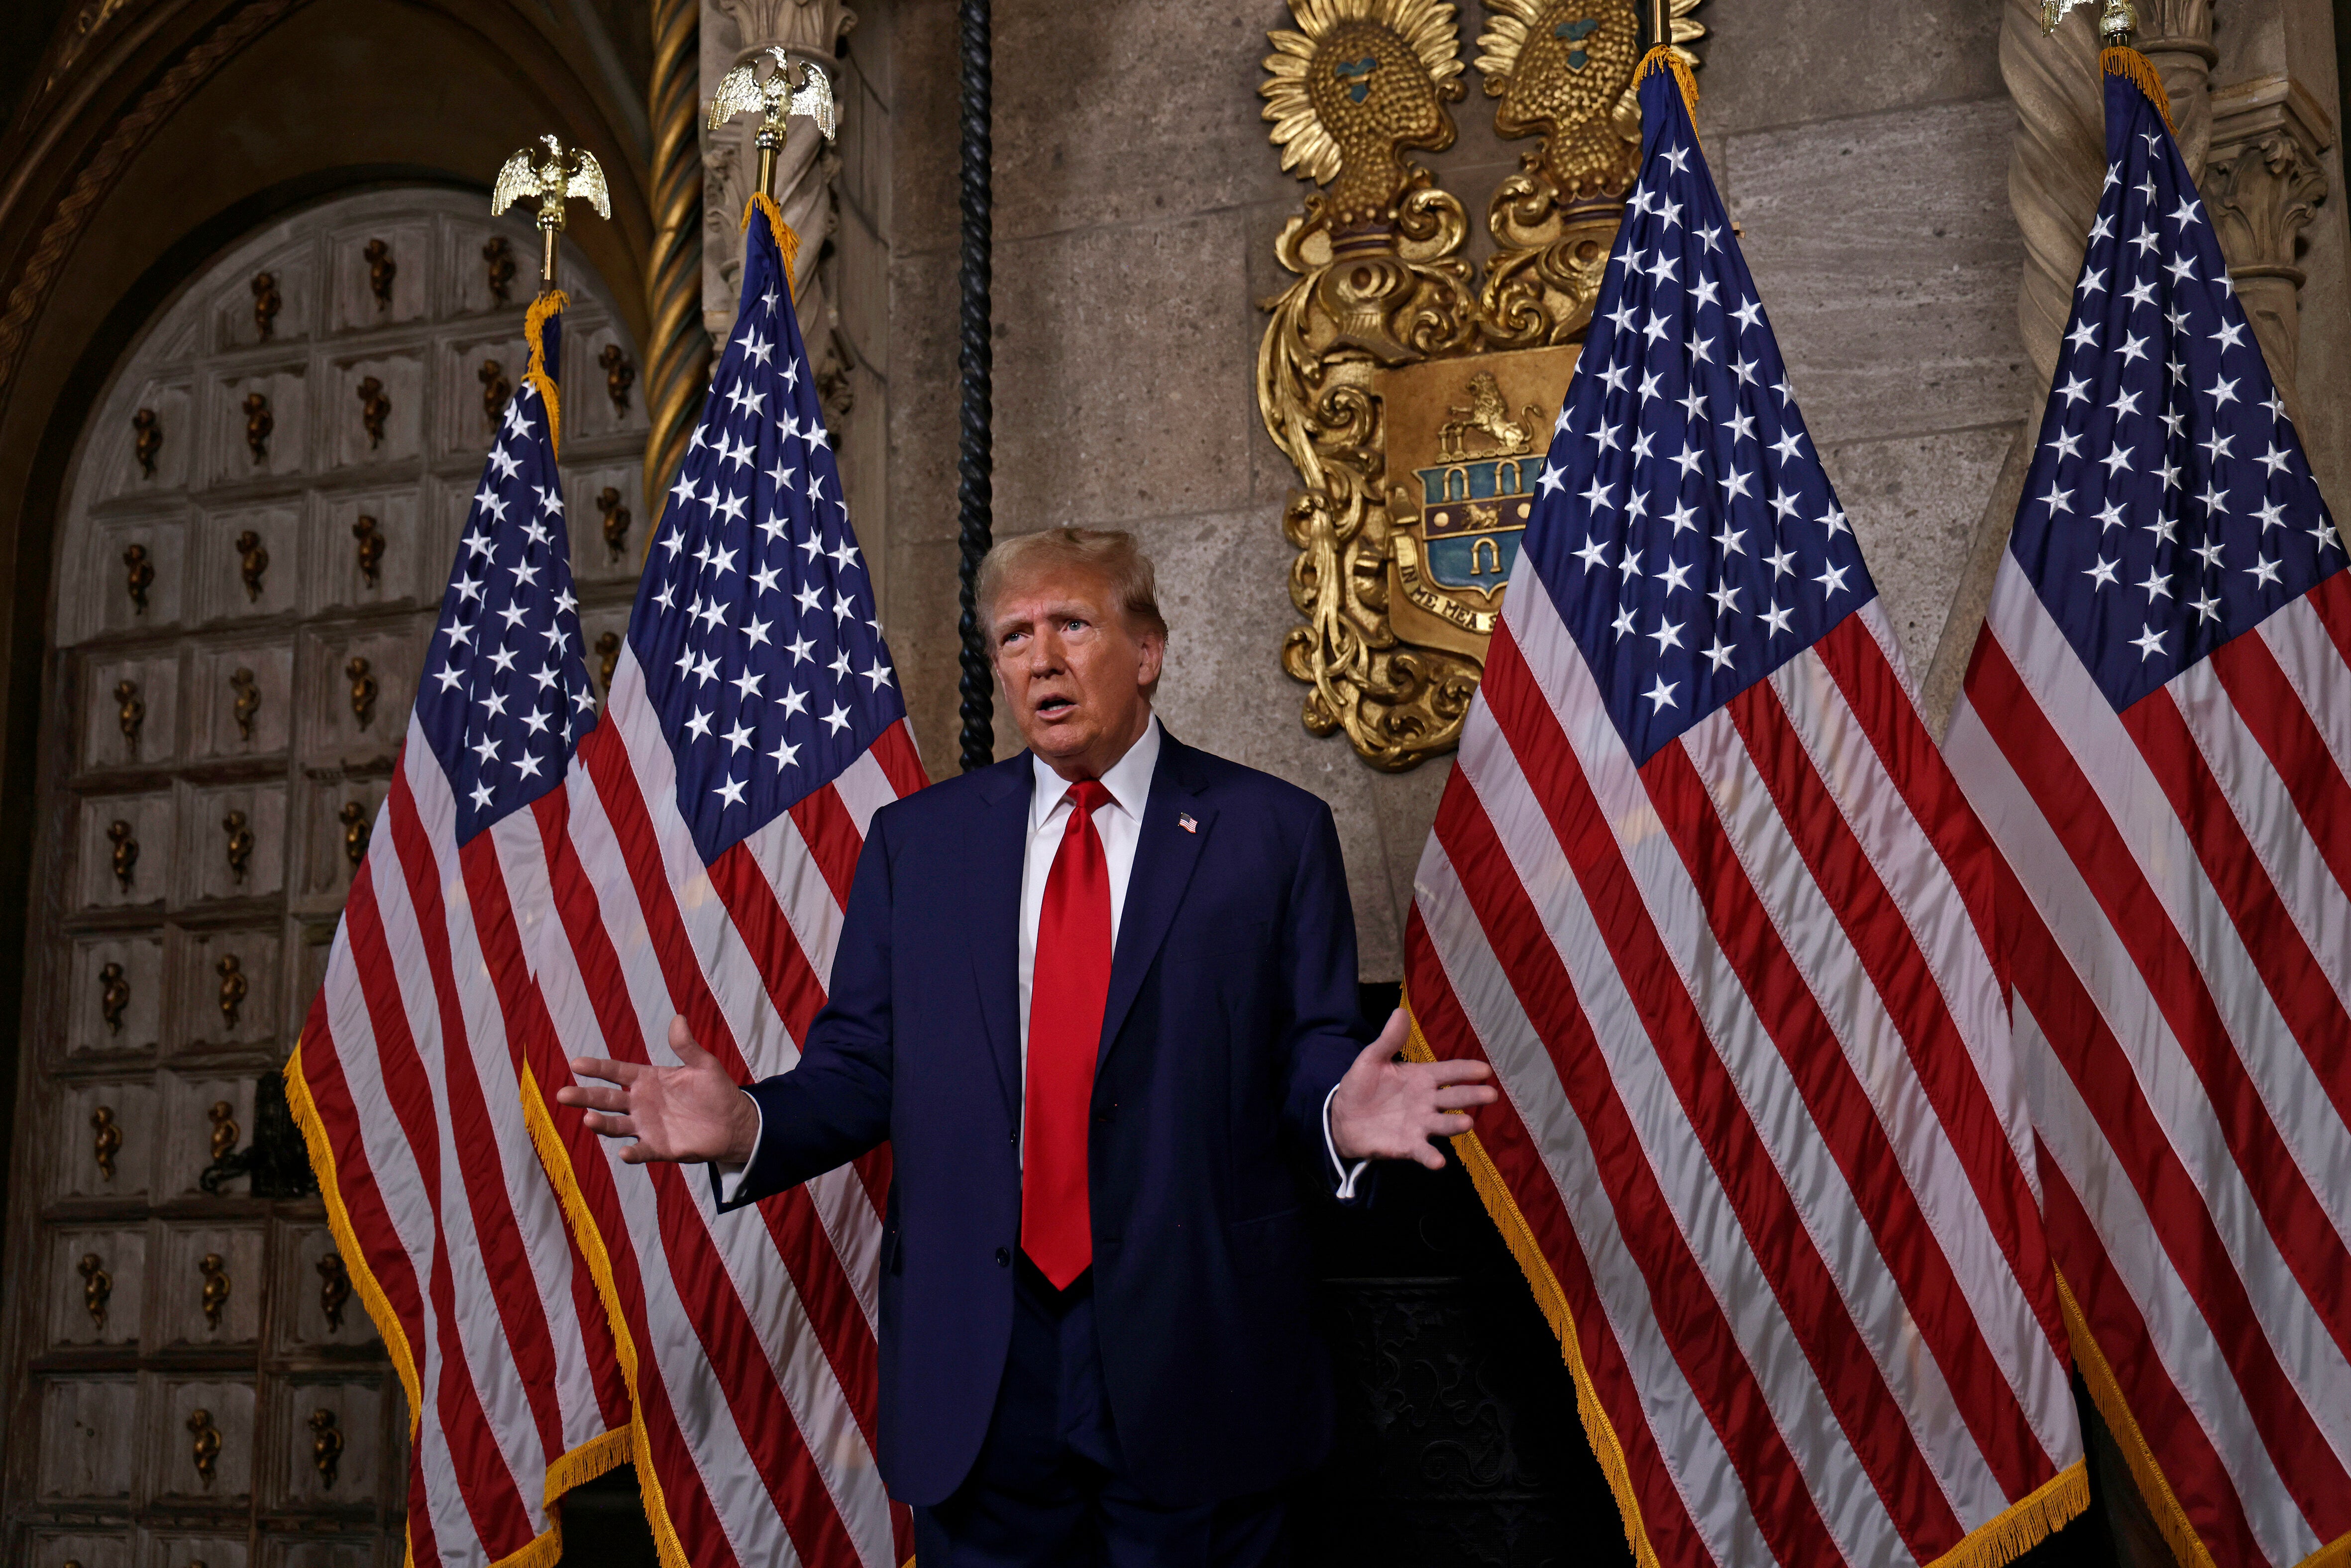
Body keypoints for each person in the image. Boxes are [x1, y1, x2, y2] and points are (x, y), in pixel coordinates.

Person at [558, 526, 1496, 1565]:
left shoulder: (1270, 830)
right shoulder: (921, 844)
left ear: (1147, 651)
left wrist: (1338, 1112)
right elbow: (864, 1064)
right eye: (1012, 636)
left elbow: (1313, 1043)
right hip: (986, 1360)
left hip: (1196, 1341)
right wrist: (754, 1122)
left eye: (1071, 625)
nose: (1039, 657)